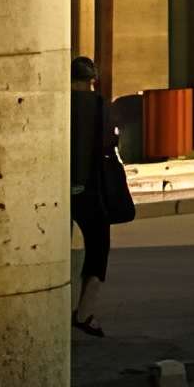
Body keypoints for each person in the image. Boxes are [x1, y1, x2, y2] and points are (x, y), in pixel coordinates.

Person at [70, 56, 131, 335]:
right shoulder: (98, 105)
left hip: (59, 188)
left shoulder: (58, 103)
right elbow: (106, 144)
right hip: (91, 190)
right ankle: (84, 312)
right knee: (98, 250)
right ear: (91, 80)